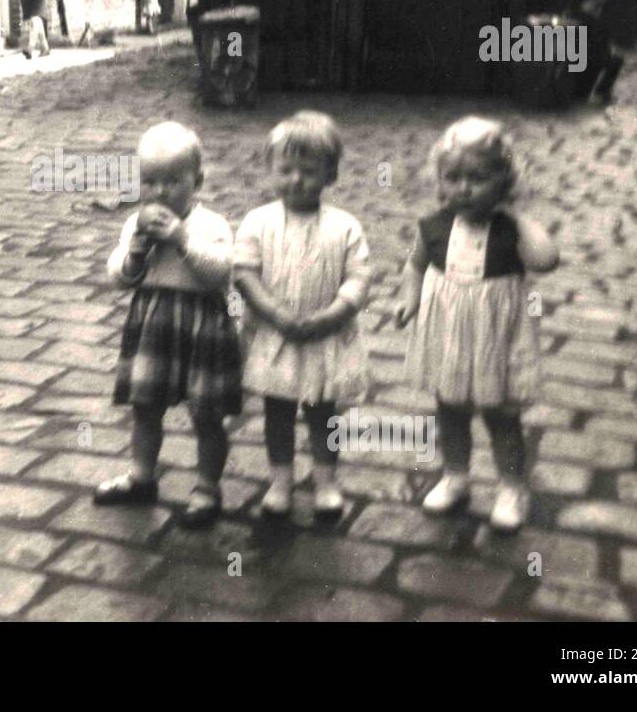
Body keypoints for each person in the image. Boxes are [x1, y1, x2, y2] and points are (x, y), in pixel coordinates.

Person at [395, 117, 560, 532]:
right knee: (449, 410)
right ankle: (456, 475)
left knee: (501, 415)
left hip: (495, 337)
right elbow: (414, 266)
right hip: (449, 334)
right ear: (439, 181)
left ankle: (511, 486)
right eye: (452, 178)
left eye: (478, 178)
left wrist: (516, 215)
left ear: (503, 182)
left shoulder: (509, 229)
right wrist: (410, 299)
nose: (463, 189)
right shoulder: (433, 226)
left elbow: (546, 259)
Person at [95, 122, 242, 529]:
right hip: (154, 321)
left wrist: (182, 241)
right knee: (145, 406)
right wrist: (134, 258)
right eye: (150, 182)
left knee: (206, 412)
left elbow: (220, 274)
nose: (160, 193)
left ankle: (207, 487)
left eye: (173, 182)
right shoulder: (135, 224)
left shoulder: (210, 225)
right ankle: (142, 476)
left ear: (197, 181)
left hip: (202, 324)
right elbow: (118, 277)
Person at [233, 112, 371, 520]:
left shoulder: (344, 227)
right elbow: (243, 271)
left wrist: (336, 312)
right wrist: (272, 311)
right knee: (277, 410)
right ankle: (280, 480)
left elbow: (359, 276)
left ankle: (326, 481)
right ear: (270, 171)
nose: (296, 180)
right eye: (286, 170)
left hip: (325, 334)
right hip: (275, 334)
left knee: (322, 412)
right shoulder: (259, 222)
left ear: (330, 175)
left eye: (309, 171)